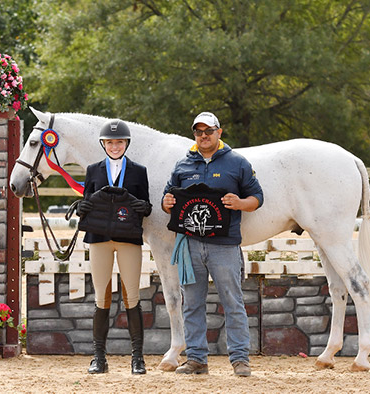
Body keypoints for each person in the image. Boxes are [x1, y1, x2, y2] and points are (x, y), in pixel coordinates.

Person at [162, 112, 263, 377]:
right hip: (190, 244)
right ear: (194, 134)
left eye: (209, 130)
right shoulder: (182, 165)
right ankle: (196, 359)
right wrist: (166, 203)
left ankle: (240, 359)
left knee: (233, 302)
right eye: (198, 131)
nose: (204, 135)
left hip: (225, 245)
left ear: (220, 132)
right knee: (192, 303)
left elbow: (257, 197)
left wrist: (241, 204)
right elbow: (167, 195)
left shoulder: (238, 163)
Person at [77, 119, 152, 375]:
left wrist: (145, 208)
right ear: (104, 144)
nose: (115, 146)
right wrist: (82, 206)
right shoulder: (93, 170)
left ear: (126, 143)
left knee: (132, 295)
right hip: (99, 239)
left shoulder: (139, 171)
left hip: (128, 238)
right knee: (101, 296)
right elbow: (87, 201)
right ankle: (99, 357)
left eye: (119, 142)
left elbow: (146, 204)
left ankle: (137, 358)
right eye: (110, 142)